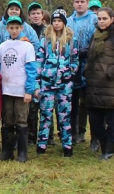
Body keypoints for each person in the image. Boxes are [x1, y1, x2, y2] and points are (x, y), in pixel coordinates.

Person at [85, 7, 114, 160]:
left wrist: (108, 73)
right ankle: (104, 146)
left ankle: (109, 149)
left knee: (112, 120)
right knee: (95, 121)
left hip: (111, 87)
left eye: (105, 18)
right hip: (94, 86)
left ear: (112, 19)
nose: (102, 21)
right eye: (99, 19)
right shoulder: (95, 36)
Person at [35, 9, 78, 157]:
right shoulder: (45, 40)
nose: (57, 23)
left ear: (64, 23)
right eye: (54, 21)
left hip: (65, 85)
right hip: (47, 84)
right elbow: (39, 61)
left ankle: (67, 145)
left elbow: (75, 60)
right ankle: (42, 144)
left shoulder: (71, 41)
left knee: (64, 116)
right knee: (46, 115)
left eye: (59, 21)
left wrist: (70, 71)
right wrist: (38, 81)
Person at [0, 15, 37, 163]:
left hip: (21, 91)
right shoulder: (2, 46)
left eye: (16, 28)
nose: (14, 30)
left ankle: (22, 153)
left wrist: (29, 90)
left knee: (21, 121)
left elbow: (32, 70)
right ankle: (7, 151)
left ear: (22, 28)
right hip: (6, 90)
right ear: (7, 28)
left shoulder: (27, 46)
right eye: (11, 28)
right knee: (7, 121)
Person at [67, 0, 99, 147]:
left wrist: (88, 51)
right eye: (76, 1)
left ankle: (94, 137)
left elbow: (98, 39)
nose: (79, 4)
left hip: (90, 65)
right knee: (71, 103)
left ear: (87, 3)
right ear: (73, 3)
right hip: (72, 66)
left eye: (82, 2)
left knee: (90, 103)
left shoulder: (94, 19)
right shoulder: (68, 21)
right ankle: (72, 135)